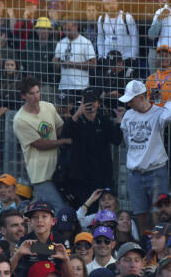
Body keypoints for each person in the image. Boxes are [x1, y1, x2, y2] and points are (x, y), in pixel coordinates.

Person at [119, 79, 171, 233]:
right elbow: (127, 140)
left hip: (156, 171)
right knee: (141, 216)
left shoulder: (158, 113)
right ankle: (146, 248)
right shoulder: (128, 116)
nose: (129, 104)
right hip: (135, 173)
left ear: (141, 97)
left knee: (161, 215)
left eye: (131, 100)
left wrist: (170, 103)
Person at [13, 76, 71, 208]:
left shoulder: (48, 107)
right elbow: (39, 144)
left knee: (40, 208)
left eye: (37, 92)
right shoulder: (20, 120)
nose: (36, 96)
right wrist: (63, 141)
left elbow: (59, 127)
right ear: (23, 96)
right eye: (31, 93)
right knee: (58, 207)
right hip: (40, 174)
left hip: (57, 170)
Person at [62, 92, 123, 206]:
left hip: (101, 175)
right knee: (81, 208)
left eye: (93, 102)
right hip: (80, 177)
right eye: (87, 102)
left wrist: (119, 120)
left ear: (98, 104)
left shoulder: (104, 121)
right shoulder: (76, 121)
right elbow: (65, 135)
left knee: (99, 208)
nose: (90, 105)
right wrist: (78, 113)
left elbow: (116, 140)